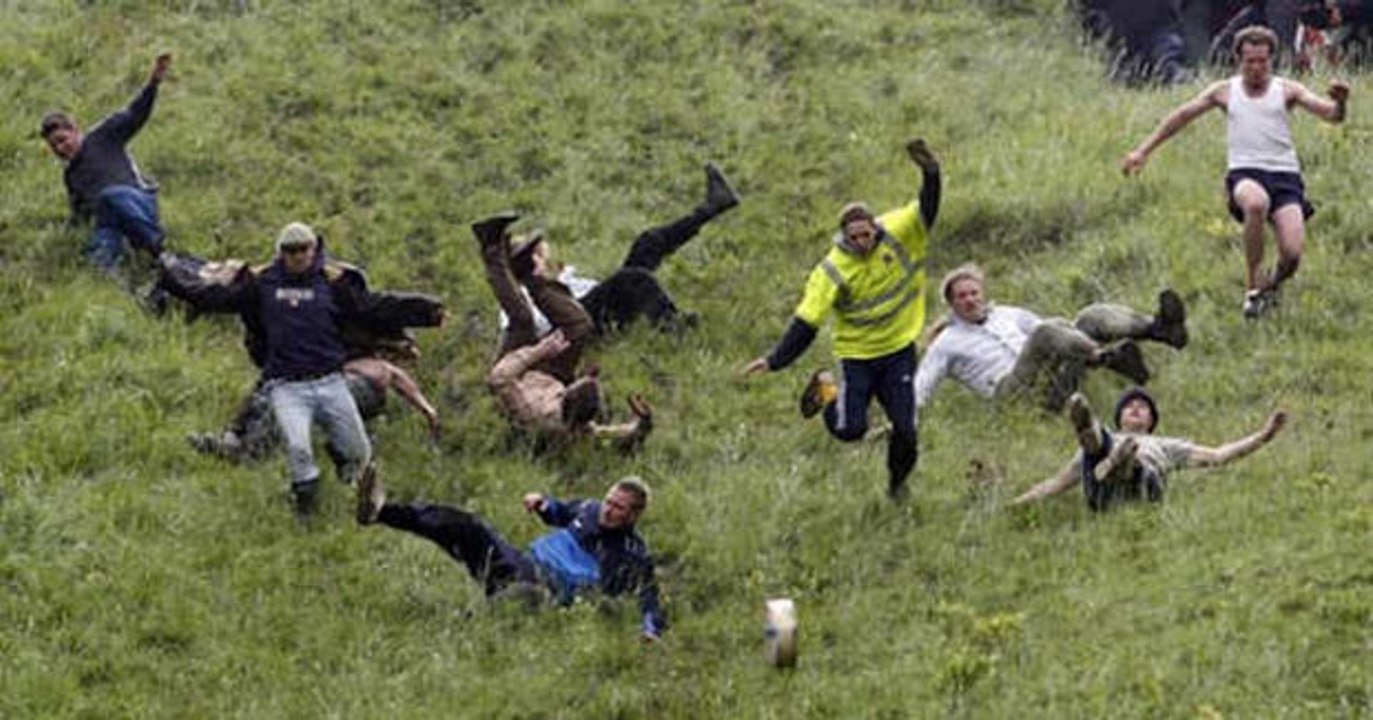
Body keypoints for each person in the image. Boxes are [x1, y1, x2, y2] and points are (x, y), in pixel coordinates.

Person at [158, 222, 445, 515]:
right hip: (287, 382)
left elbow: (373, 307)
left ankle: (364, 496)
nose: (297, 256)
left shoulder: (336, 284)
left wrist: (425, 310)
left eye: (303, 249)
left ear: (314, 248)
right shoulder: (263, 282)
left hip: (332, 382)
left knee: (359, 453)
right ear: (280, 252)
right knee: (297, 447)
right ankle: (302, 508)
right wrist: (172, 278)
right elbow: (218, 298)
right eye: (290, 250)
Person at [743, 139, 940, 502]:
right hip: (858, 359)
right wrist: (774, 360)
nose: (863, 242)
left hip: (899, 351)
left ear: (875, 227)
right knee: (850, 430)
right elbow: (807, 321)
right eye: (854, 238)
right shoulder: (832, 269)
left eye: (867, 234)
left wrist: (931, 171)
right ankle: (825, 387)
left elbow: (927, 208)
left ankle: (897, 486)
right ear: (843, 237)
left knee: (907, 430)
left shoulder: (897, 232)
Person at [1121, 24, 1349, 319]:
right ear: (1239, 61)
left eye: (1262, 61)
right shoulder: (1225, 91)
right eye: (1250, 61)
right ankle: (1253, 286)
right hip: (1245, 174)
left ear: (1271, 60)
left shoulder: (1287, 90)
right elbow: (1181, 117)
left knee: (1291, 255)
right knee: (1256, 203)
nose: (1256, 68)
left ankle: (1271, 286)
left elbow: (1331, 115)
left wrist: (1340, 102)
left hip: (1285, 178)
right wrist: (1143, 151)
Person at [356, 471, 667, 642]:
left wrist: (649, 631)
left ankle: (467, 635)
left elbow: (650, 599)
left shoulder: (633, 554)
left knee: (524, 594)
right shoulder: (589, 509)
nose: (608, 510)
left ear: (634, 515)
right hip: (520, 561)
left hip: (548, 587)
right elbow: (560, 511)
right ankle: (380, 512)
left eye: (618, 508)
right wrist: (542, 503)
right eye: (609, 501)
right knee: (467, 526)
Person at [499, 162, 740, 342]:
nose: (543, 251)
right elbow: (531, 333)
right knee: (633, 278)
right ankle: (674, 328)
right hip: (578, 328)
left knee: (648, 242)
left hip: (594, 310)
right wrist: (541, 287)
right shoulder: (519, 300)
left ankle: (712, 207)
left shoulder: (557, 279)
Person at [474, 213, 653, 450]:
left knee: (522, 321)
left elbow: (499, 378)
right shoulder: (580, 425)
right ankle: (529, 274)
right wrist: (644, 422)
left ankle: (492, 250)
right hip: (549, 373)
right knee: (580, 327)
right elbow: (616, 435)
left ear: (566, 399)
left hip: (516, 371)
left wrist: (538, 351)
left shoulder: (534, 414)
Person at [914, 264, 1188, 413]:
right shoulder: (947, 342)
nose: (970, 300)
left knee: (1087, 317)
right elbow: (922, 385)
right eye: (961, 296)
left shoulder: (1007, 313)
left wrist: (1083, 331)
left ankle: (1159, 328)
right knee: (1045, 332)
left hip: (1053, 382)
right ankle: (1106, 358)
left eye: (973, 293)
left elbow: (1057, 331)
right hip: (1015, 395)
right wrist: (903, 422)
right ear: (950, 303)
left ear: (982, 293)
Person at [1011, 388, 1288, 510]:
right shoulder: (1107, 439)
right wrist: (1016, 505)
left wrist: (1264, 435)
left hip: (1142, 489)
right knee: (1099, 446)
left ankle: (1122, 460)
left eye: (1142, 407)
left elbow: (1218, 456)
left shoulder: (1165, 445)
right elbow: (1056, 484)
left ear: (1151, 421)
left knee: (1132, 460)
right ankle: (1090, 430)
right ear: (1119, 417)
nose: (1135, 408)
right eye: (1129, 406)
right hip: (1101, 493)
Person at [41, 53, 173, 282]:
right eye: (54, 147)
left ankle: (160, 253)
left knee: (109, 196)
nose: (61, 148)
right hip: (112, 223)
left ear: (75, 130)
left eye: (63, 140)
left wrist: (153, 83)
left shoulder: (103, 135)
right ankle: (132, 297)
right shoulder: (71, 176)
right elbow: (80, 215)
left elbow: (135, 114)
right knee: (98, 258)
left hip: (138, 204)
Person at [186, 355, 441, 463]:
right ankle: (234, 440)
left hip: (352, 390)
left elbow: (399, 379)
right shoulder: (339, 353)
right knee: (270, 394)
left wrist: (428, 411)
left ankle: (244, 450)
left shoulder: (376, 366)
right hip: (334, 390)